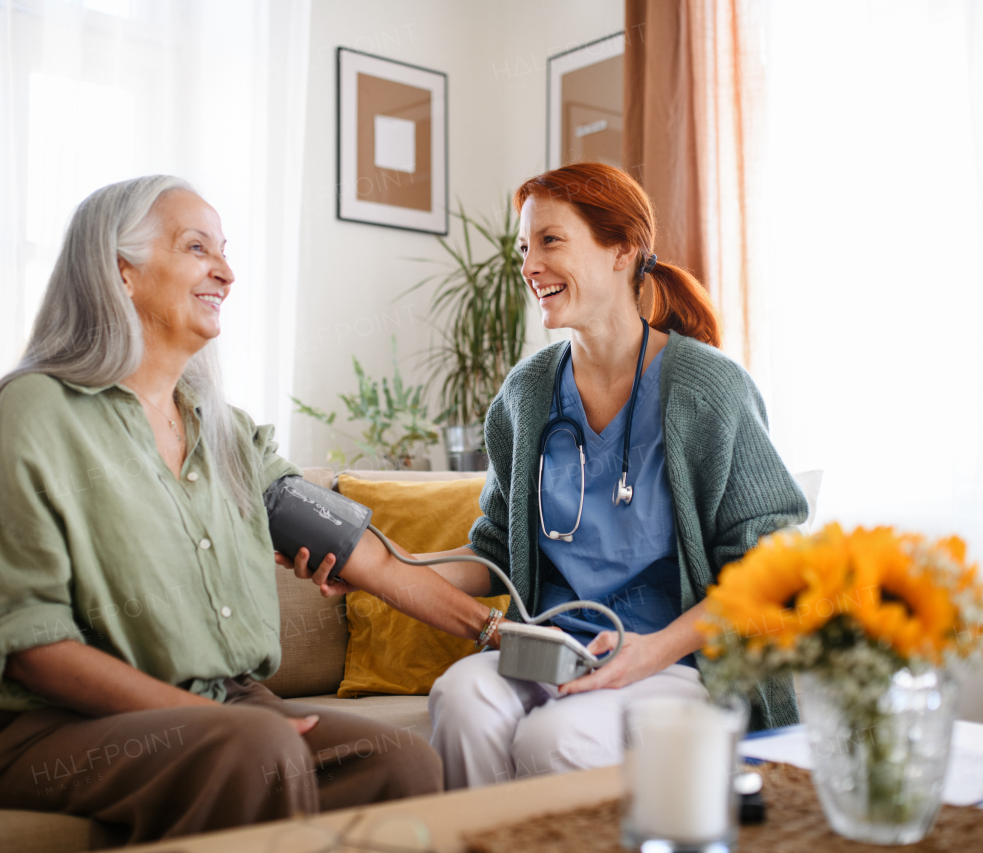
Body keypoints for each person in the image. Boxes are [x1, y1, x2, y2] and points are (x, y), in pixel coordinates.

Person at [0, 176, 444, 847]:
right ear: (123, 272)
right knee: (257, 747)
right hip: (52, 723)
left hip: (228, 706)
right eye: (197, 247)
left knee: (402, 762)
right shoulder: (37, 411)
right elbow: (33, 649)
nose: (227, 272)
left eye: (225, 250)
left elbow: (361, 551)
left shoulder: (220, 427)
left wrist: (498, 623)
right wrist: (212, 720)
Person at [287, 162, 807, 790]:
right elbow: (496, 551)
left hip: (677, 663)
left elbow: (771, 569)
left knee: (552, 740)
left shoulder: (710, 390)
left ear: (623, 249)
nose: (530, 266)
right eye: (525, 248)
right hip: (551, 650)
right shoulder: (527, 395)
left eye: (551, 242)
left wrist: (655, 649)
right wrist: (381, 567)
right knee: (462, 697)